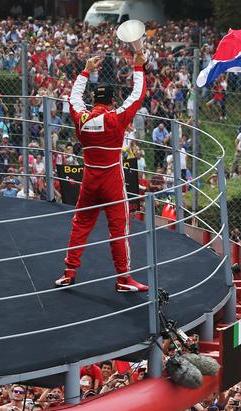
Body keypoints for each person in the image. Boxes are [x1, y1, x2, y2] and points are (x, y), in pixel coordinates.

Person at [55, 52, 148, 292]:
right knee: (119, 231)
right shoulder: (115, 118)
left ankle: (69, 272)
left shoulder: (81, 118)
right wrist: (138, 67)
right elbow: (137, 96)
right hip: (112, 182)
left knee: (80, 224)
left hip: (89, 180)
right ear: (111, 102)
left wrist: (85, 70)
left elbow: (73, 97)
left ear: (93, 99)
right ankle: (124, 280)